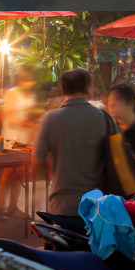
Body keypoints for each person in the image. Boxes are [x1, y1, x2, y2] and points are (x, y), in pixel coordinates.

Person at [33, 69, 109, 216]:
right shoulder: (103, 118)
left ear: (62, 89)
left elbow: (39, 161)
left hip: (62, 205)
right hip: (97, 206)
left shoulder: (50, 119)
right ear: (87, 88)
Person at [0, 65, 39, 216]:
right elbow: (9, 117)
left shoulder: (31, 96)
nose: (30, 83)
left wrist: (33, 126)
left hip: (25, 140)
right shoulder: (12, 93)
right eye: (28, 80)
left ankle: (13, 206)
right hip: (11, 139)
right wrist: (31, 124)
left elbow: (30, 114)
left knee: (19, 173)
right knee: (7, 173)